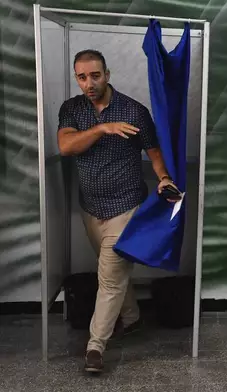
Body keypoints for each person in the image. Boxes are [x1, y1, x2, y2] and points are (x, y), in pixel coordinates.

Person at [57, 49, 181, 373]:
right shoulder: (71, 109)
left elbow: (154, 154)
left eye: (95, 75)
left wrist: (164, 177)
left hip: (126, 208)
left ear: (107, 74)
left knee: (110, 280)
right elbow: (65, 146)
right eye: (82, 77)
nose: (89, 83)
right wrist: (101, 129)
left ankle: (95, 347)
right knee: (109, 270)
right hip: (90, 209)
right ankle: (133, 318)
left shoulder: (135, 112)